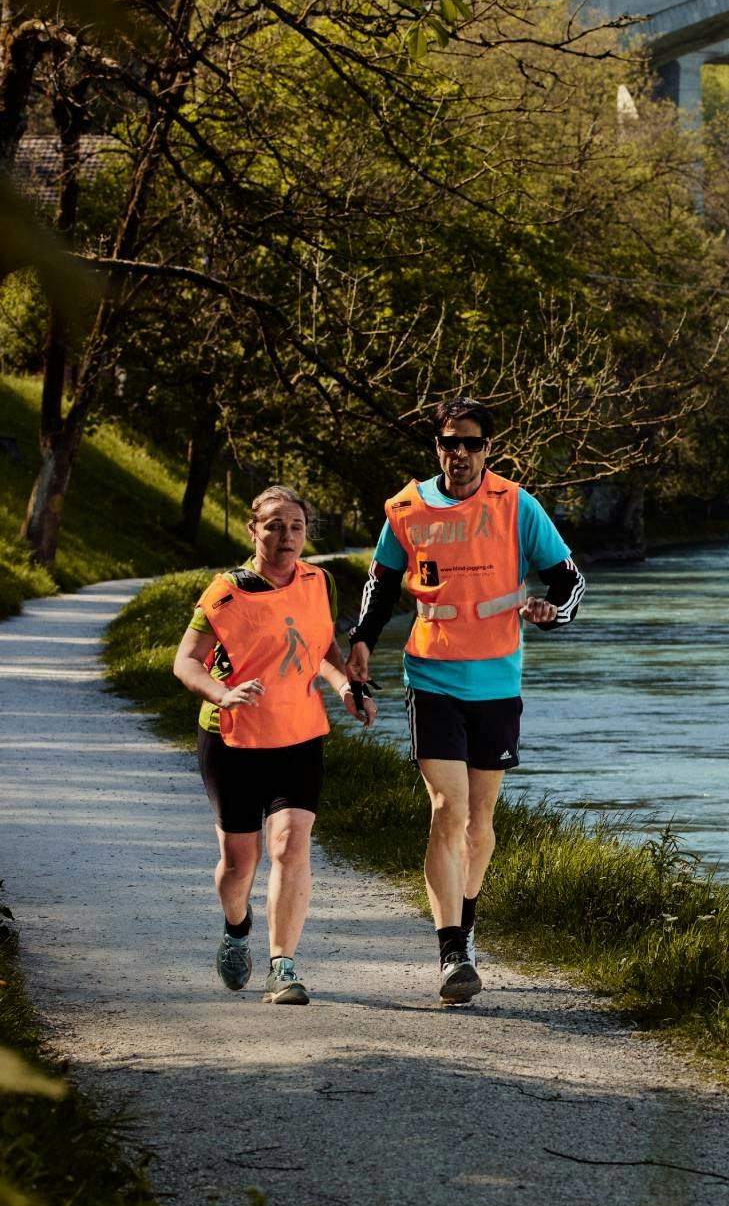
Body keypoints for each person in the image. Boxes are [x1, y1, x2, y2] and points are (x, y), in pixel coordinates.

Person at [345, 397, 585, 1004]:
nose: (459, 454)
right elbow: (379, 585)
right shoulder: (406, 509)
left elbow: (569, 579)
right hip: (431, 678)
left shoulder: (515, 506)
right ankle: (452, 950)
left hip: (498, 683)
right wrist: (362, 645)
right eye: (449, 442)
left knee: (481, 822)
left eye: (471, 444)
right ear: (437, 448)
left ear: (488, 450)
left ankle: (467, 924)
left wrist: (551, 613)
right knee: (448, 811)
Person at [172, 484, 376, 1005]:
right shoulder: (225, 592)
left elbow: (322, 652)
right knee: (241, 862)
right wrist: (223, 692)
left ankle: (282, 967)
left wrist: (345, 688)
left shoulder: (319, 580)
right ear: (253, 530)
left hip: (299, 735)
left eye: (296, 527)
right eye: (275, 526)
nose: (286, 537)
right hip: (233, 738)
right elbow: (186, 661)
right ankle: (236, 928)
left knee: (290, 843)